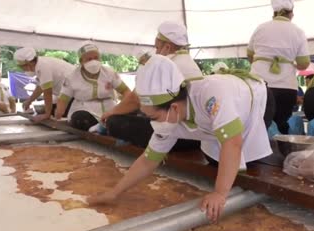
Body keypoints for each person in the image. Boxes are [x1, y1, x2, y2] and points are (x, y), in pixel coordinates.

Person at [88, 55, 272, 222]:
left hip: (257, 99)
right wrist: (115, 192)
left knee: (251, 166)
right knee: (219, 163)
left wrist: (219, 193)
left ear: (174, 108)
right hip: (219, 117)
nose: (153, 123)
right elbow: (147, 161)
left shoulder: (212, 96)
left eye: (153, 117)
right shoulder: (170, 117)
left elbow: (233, 143)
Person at [103, 21, 202, 149]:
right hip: (198, 136)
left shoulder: (166, 65)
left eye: (157, 47)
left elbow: (135, 100)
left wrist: (110, 113)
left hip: (180, 136)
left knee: (114, 122)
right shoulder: (188, 62)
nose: (156, 51)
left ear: (167, 47)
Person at [247, 0, 310, 134]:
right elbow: (304, 63)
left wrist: (263, 63)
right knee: (281, 122)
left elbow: (250, 55)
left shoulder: (261, 28)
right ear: (291, 13)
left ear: (274, 12)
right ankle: (281, 151)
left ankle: (256, 152)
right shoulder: (298, 31)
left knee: (258, 122)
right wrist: (289, 63)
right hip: (286, 86)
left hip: (259, 83)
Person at [54, 42, 132, 131]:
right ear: (81, 61)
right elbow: (63, 99)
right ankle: (102, 128)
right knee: (80, 119)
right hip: (85, 109)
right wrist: (58, 114)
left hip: (109, 109)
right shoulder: (72, 77)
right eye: (89, 59)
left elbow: (125, 91)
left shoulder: (109, 72)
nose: (93, 61)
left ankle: (103, 127)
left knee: (126, 118)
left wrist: (123, 107)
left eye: (96, 58)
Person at [14, 47, 75, 122]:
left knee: (62, 114)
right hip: (68, 94)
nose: (23, 69)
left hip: (75, 95)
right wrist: (29, 101)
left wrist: (47, 114)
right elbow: (41, 87)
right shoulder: (41, 64)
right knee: (52, 110)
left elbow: (47, 92)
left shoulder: (43, 66)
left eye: (22, 67)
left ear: (28, 64)